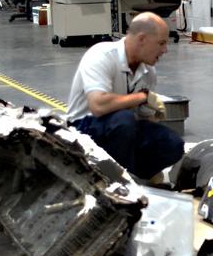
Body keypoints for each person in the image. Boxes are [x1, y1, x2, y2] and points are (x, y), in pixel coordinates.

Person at [66, 13, 184, 180]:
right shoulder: (102, 55)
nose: (165, 50)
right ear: (142, 39)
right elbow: (98, 105)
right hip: (83, 129)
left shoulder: (148, 72)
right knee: (124, 120)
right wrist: (142, 97)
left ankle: (134, 175)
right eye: (161, 43)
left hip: (120, 131)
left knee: (172, 144)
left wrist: (154, 117)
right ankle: (117, 182)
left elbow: (144, 119)